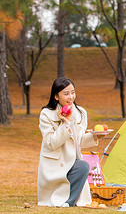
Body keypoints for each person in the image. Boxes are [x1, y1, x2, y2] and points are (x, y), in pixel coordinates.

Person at [37, 77, 103, 207]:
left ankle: (70, 202)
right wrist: (65, 124)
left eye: (72, 92)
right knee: (75, 169)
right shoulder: (46, 114)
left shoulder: (80, 113)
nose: (71, 97)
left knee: (83, 165)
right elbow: (51, 143)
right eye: (66, 93)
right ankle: (65, 200)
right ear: (56, 96)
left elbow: (77, 141)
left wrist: (95, 136)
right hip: (54, 163)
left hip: (71, 161)